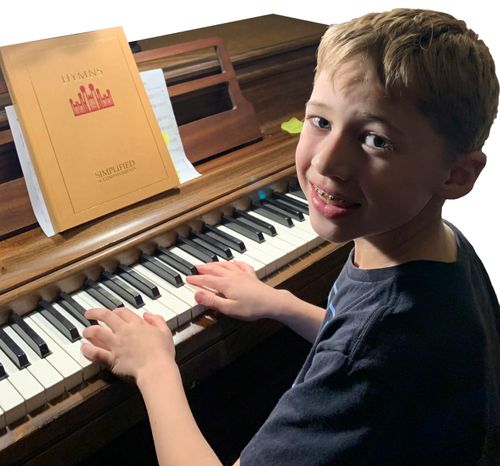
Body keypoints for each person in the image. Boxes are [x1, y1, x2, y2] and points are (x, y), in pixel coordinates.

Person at [81, 8, 500, 465]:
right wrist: (280, 303)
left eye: (376, 141)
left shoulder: (370, 355)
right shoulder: (440, 245)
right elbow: (357, 335)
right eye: (320, 122)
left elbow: (361, 352)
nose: (325, 163)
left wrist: (155, 368)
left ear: (457, 175)